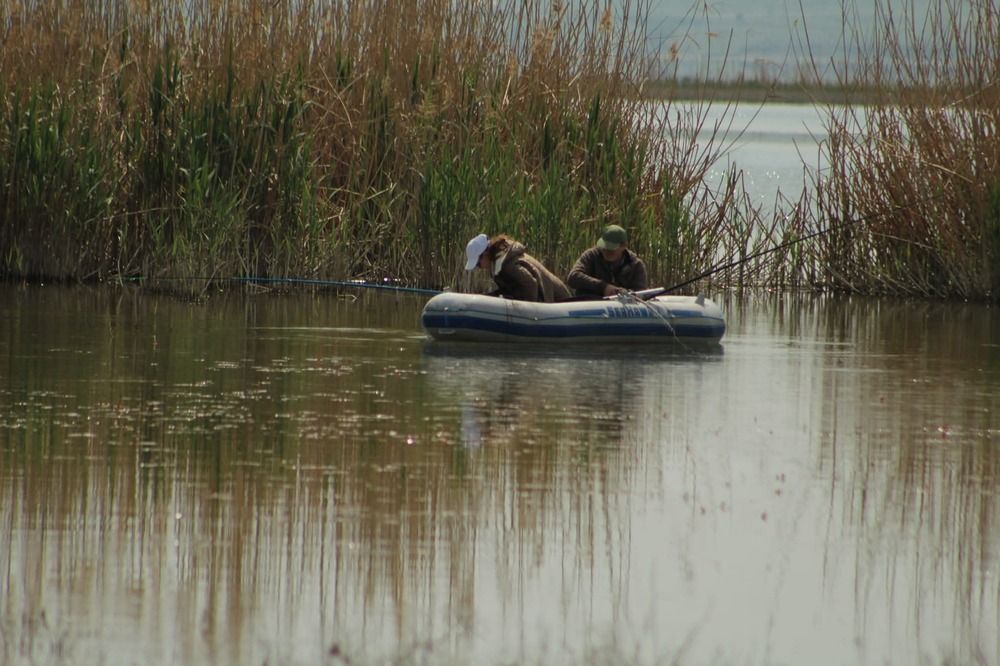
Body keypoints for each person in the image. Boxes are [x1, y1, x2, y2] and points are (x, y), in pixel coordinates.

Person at [464, 233, 571, 302]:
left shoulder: (507, 264)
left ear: (485, 253)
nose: (479, 267)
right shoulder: (498, 263)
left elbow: (531, 284)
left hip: (558, 300)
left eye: (478, 264)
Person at [566, 224, 648, 297]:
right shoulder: (591, 256)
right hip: (589, 304)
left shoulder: (636, 265)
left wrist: (622, 293)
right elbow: (573, 276)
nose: (606, 251)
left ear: (624, 246)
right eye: (604, 247)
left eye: (611, 249)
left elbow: (640, 293)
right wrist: (603, 287)